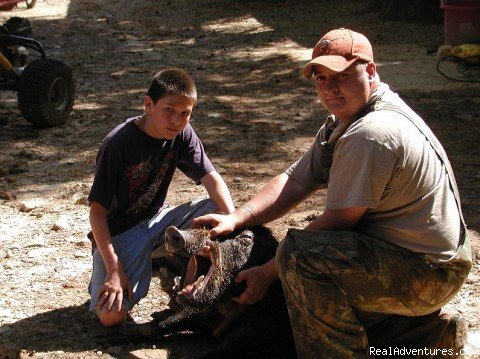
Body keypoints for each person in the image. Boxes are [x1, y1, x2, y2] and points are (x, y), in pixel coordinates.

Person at [193, 28, 472, 358]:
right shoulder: (347, 119)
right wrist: (237, 218)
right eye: (320, 78)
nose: (329, 88)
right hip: (408, 255)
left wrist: (268, 273)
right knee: (303, 269)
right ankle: (428, 336)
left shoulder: (371, 133)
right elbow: (295, 180)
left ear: (369, 71)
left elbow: (338, 223)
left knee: (301, 258)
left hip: (430, 273)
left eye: (340, 75)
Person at [88, 68, 235, 327]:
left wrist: (234, 221)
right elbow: (96, 213)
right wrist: (113, 270)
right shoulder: (117, 144)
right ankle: (140, 262)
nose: (177, 120)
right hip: (120, 232)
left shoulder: (183, 134)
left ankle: (188, 282)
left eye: (185, 113)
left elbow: (212, 179)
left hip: (158, 218)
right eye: (169, 110)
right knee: (111, 317)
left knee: (219, 212)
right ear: (148, 104)